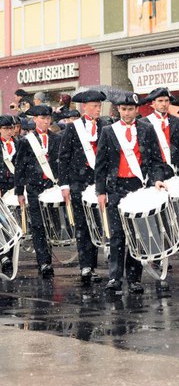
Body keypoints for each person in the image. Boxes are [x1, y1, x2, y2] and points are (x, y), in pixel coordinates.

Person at [95, 93, 173, 294]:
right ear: (118, 110)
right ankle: (114, 278)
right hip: (116, 187)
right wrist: (100, 191)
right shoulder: (108, 131)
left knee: (136, 235)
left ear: (137, 110)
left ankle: (134, 278)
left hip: (138, 187)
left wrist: (157, 179)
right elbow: (101, 164)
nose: (127, 112)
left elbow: (156, 160)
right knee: (117, 235)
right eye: (124, 109)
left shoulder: (147, 129)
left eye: (131, 109)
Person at [58, 90, 108, 285]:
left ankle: (99, 263)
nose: (98, 109)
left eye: (99, 105)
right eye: (95, 106)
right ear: (84, 107)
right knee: (83, 225)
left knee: (98, 223)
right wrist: (65, 184)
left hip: (100, 182)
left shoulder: (106, 126)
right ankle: (87, 266)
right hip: (79, 182)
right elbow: (63, 158)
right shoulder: (73, 129)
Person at [14, 105, 61, 278]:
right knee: (38, 225)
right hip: (34, 187)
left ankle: (48, 256)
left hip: (52, 186)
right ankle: (44, 262)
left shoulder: (57, 138)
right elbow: (20, 166)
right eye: (42, 118)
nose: (46, 121)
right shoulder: (26, 141)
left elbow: (60, 163)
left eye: (48, 118)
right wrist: (19, 191)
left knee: (52, 224)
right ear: (35, 120)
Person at [141, 87, 179, 175]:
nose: (164, 104)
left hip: (175, 168)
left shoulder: (177, 121)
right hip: (154, 169)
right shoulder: (144, 122)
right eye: (160, 101)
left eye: (166, 101)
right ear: (153, 103)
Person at [0, 116, 18, 276]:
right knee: (3, 224)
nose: (9, 132)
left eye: (11, 128)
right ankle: (3, 256)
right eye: (5, 129)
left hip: (15, 188)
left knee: (13, 224)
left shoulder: (18, 143)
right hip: (1, 189)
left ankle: (8, 257)